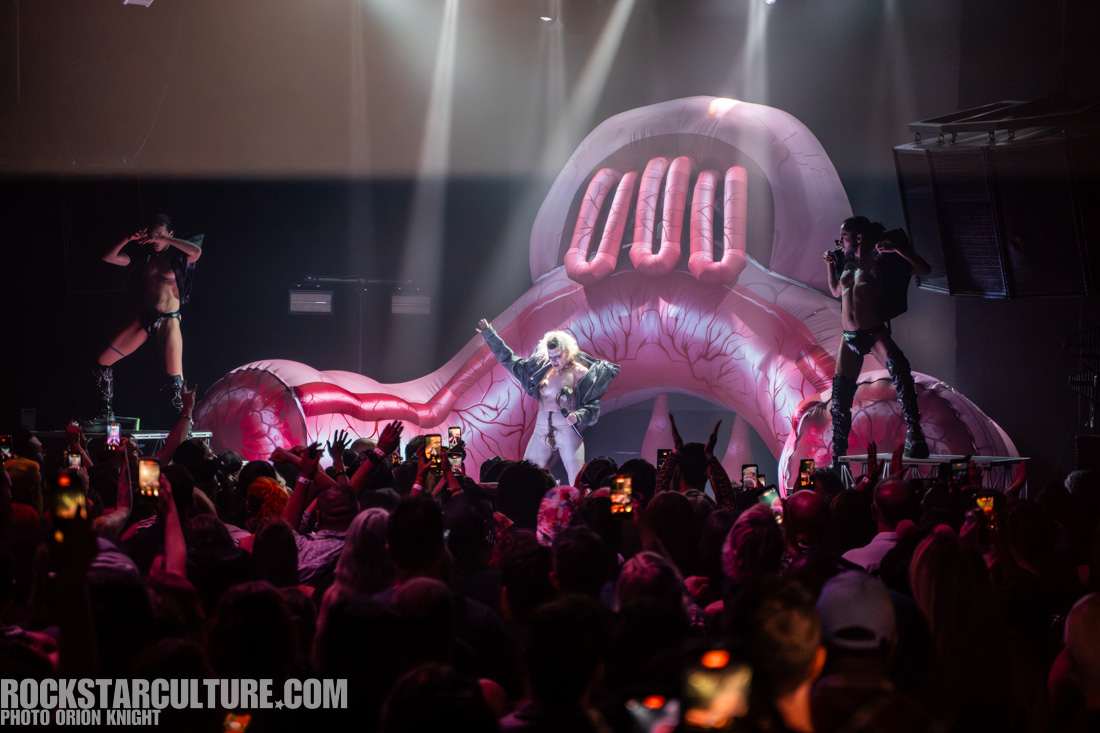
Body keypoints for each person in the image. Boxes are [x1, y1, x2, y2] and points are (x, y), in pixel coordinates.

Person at [823, 216, 931, 469]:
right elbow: (837, 292)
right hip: (849, 338)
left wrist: (900, 250)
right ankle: (838, 459)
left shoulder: (881, 257)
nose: (840, 242)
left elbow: (923, 269)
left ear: (858, 238)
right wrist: (830, 266)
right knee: (840, 398)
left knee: (900, 370)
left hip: (873, 333)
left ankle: (916, 437)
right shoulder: (844, 260)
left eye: (844, 237)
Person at [476, 319, 620, 485]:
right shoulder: (541, 370)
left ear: (567, 352)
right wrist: (489, 334)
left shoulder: (581, 373)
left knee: (578, 480)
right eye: (550, 356)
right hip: (541, 430)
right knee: (525, 477)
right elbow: (509, 360)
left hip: (566, 430)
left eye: (557, 356)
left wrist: (579, 415)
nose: (554, 360)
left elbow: (594, 406)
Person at [95, 214, 203, 415]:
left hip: (169, 319)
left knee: (175, 381)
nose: (155, 241)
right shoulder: (143, 257)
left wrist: (164, 239)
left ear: (170, 234)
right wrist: (128, 239)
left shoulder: (179, 257)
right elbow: (108, 257)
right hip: (146, 318)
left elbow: (196, 251)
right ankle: (105, 413)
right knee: (103, 361)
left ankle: (186, 423)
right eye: (152, 236)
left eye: (160, 235)